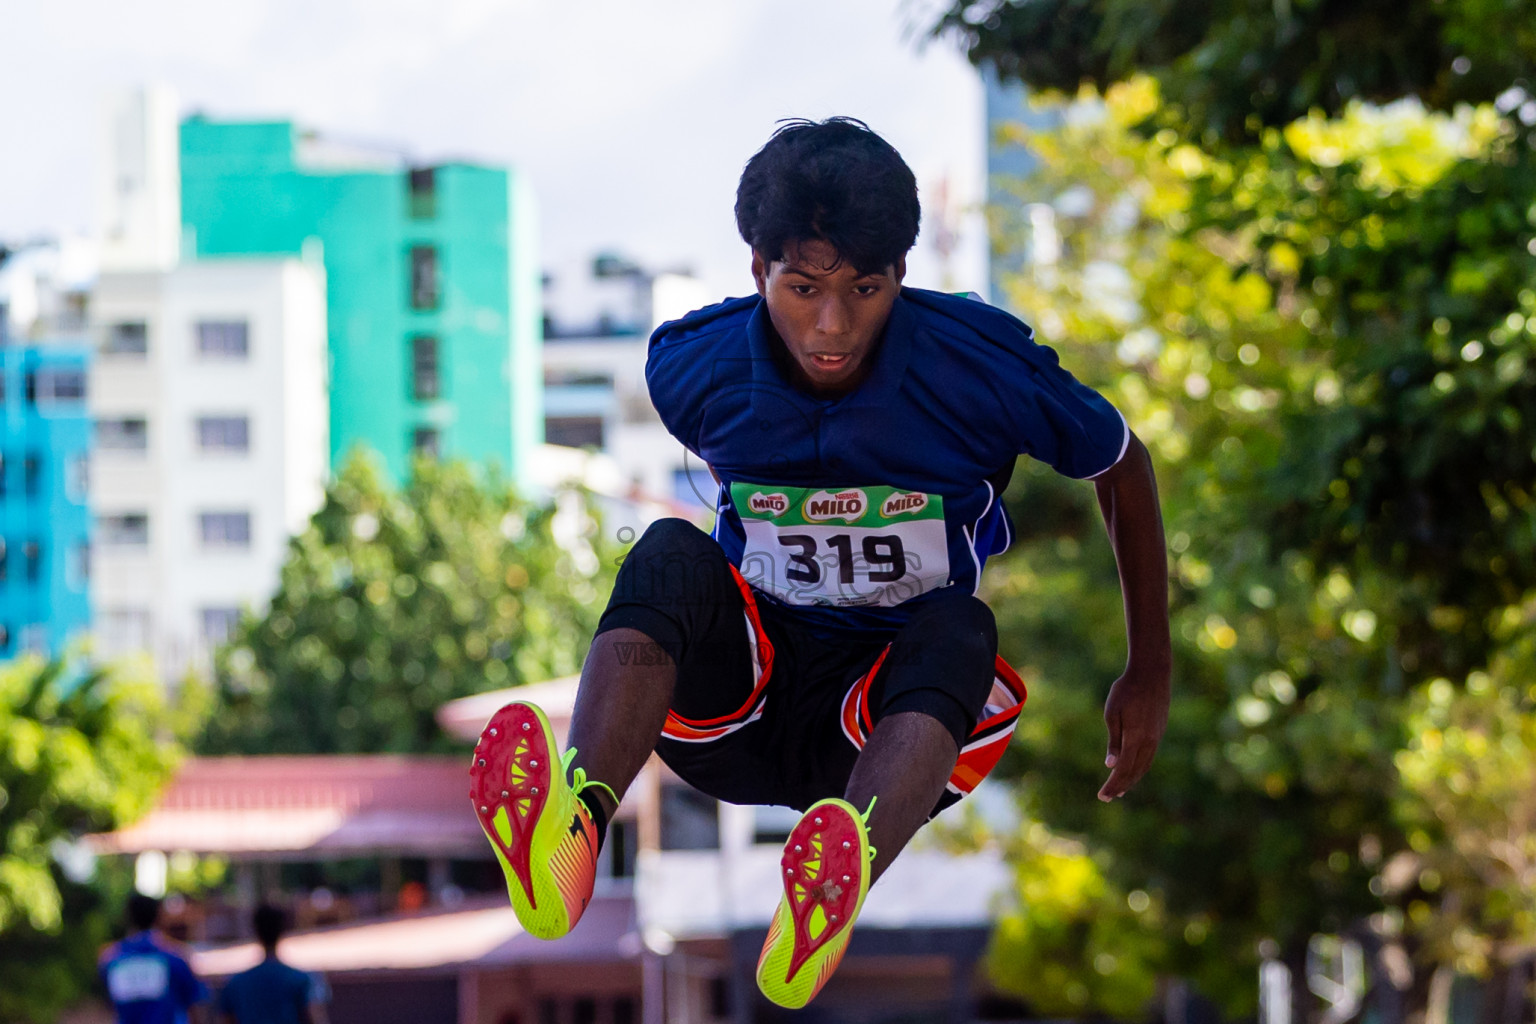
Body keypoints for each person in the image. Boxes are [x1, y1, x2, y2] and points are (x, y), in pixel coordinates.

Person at [470, 117, 1172, 1009]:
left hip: (882, 739)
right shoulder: (694, 367)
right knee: (669, 553)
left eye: (865, 290)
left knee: (961, 624)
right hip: (738, 705)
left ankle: (839, 880)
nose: (832, 326)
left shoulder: (980, 365)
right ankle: (575, 825)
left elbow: (1121, 460)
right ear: (758, 270)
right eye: (802, 288)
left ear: (901, 278)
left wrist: (1149, 664)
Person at [99, 893, 209, 1024]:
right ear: (158, 916)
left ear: (127, 918)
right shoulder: (175, 958)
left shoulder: (110, 960)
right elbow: (194, 1006)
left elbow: (109, 1004)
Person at [217, 905, 323, 1024]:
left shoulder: (235, 984)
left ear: (256, 931)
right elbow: (314, 1018)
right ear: (282, 930)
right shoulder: (301, 980)